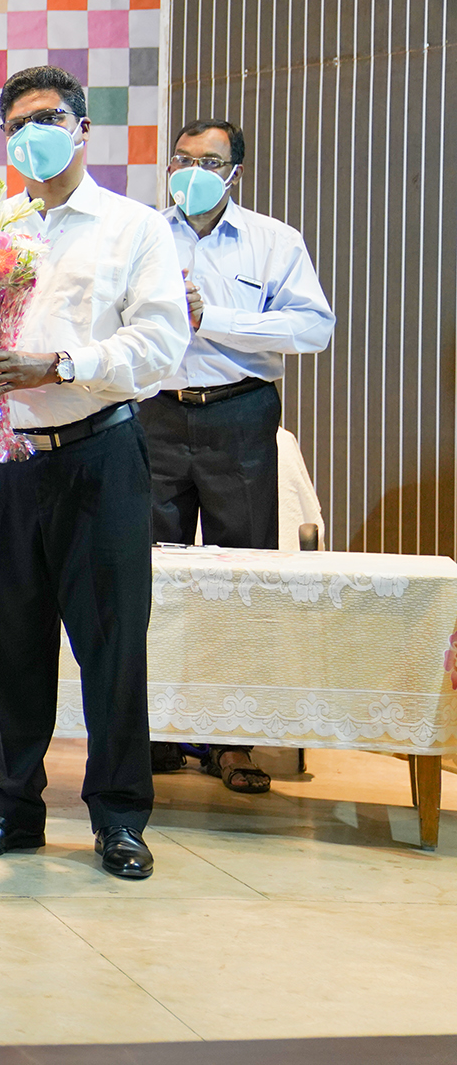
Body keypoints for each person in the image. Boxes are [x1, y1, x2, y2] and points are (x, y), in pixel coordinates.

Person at [0, 65, 188, 880]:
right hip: (2, 462)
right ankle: (11, 806)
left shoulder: (133, 226)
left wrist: (60, 365)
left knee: (112, 644)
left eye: (47, 118)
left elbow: (160, 344)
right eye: (16, 126)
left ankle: (118, 817)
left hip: (98, 454)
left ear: (81, 126)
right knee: (11, 641)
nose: (31, 136)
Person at [145, 117, 334, 795]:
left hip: (240, 413)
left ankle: (232, 742)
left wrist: (214, 320)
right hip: (155, 414)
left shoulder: (274, 242)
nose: (190, 170)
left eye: (207, 160)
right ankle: (158, 733)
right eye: (181, 158)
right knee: (151, 579)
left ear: (235, 173)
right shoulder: (144, 236)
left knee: (241, 576)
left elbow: (314, 327)